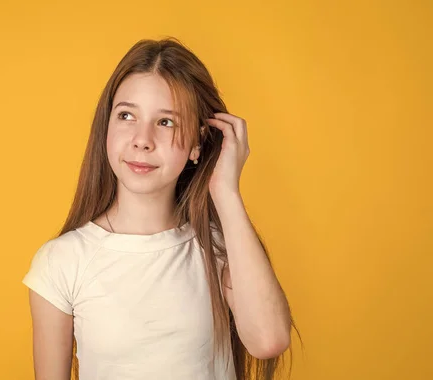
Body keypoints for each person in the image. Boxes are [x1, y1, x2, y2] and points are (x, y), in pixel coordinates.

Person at [22, 37, 300, 380]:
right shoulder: (61, 262)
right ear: (105, 127)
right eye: (127, 115)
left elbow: (269, 340)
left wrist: (225, 190)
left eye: (165, 121)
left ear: (198, 142)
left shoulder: (218, 248)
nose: (142, 139)